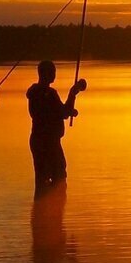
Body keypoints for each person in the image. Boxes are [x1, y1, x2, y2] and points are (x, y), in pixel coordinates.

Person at [27, 60, 87, 193]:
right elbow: (62, 112)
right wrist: (72, 94)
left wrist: (70, 105)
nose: (54, 74)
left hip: (40, 140)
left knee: (44, 177)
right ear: (45, 73)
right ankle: (50, 210)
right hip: (47, 142)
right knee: (58, 176)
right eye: (52, 72)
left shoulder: (36, 93)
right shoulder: (47, 94)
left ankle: (43, 210)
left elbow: (59, 112)